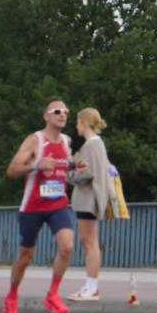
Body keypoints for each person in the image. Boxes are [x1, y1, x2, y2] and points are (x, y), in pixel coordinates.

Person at [3, 98, 86, 313]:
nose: (63, 114)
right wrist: (36, 165)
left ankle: (52, 294)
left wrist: (75, 165)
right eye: (57, 111)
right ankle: (11, 296)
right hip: (32, 207)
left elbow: (64, 165)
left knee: (67, 247)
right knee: (25, 257)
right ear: (46, 116)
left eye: (66, 111)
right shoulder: (35, 141)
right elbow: (11, 170)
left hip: (57, 204)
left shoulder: (67, 141)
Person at [67, 108, 111, 302]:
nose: (76, 126)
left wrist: (68, 175)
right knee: (90, 242)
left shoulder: (90, 146)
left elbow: (86, 174)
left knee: (89, 242)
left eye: (77, 122)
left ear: (84, 123)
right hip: (94, 198)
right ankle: (90, 285)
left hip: (88, 199)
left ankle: (91, 287)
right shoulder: (97, 145)